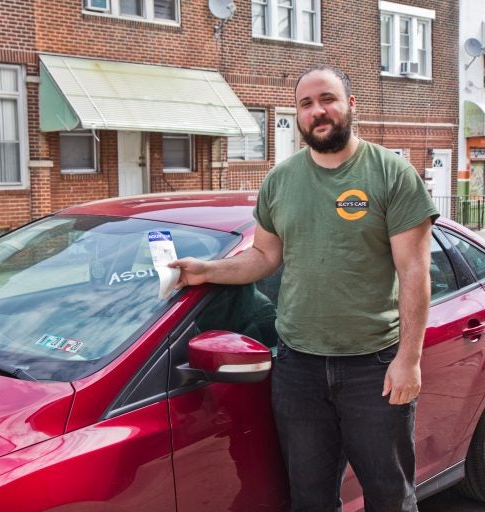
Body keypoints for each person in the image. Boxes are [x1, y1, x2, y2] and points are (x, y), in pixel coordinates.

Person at [169, 64, 439, 511]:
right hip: (298, 369)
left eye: (328, 99)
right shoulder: (280, 180)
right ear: (297, 115)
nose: (319, 111)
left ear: (351, 105)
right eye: (306, 104)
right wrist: (205, 270)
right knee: (309, 499)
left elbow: (414, 271)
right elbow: (263, 258)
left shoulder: (391, 173)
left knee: (390, 497)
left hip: (373, 367)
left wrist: (408, 360)